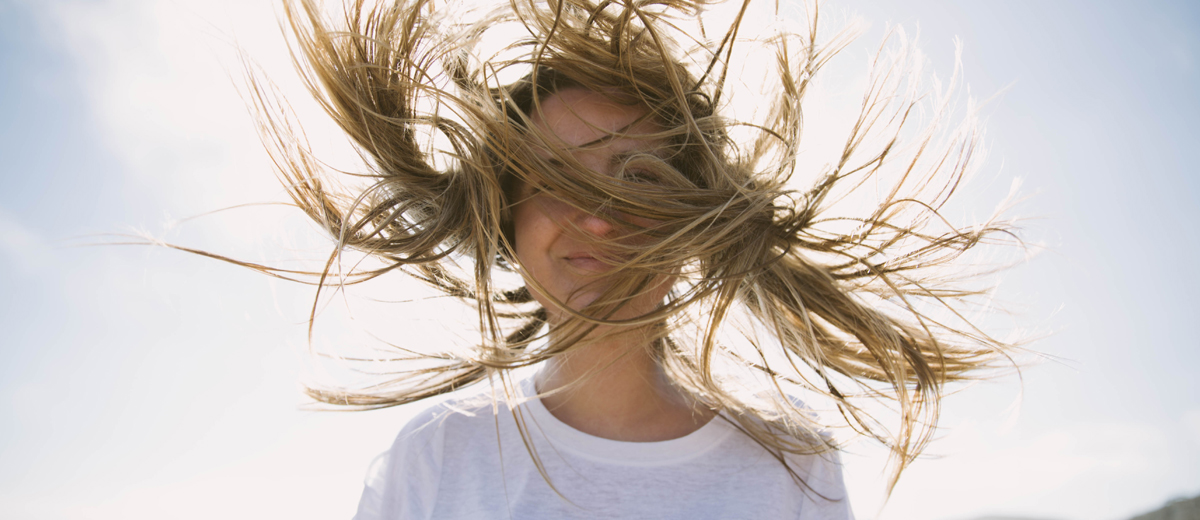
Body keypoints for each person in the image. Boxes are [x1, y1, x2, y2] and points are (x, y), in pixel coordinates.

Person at [235, 0, 1023, 517]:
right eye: (553, 180)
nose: (597, 223)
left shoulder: (789, 462)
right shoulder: (440, 462)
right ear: (506, 219)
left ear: (694, 226)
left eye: (639, 182)